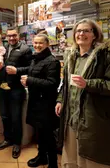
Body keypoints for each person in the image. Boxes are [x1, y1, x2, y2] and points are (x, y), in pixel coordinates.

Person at [55, 19, 110, 168]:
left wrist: (88, 84)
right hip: (71, 118)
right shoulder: (71, 56)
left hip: (92, 118)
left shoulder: (104, 56)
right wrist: (60, 100)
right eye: (78, 31)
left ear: (95, 35)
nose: (81, 34)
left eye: (86, 31)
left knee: (91, 159)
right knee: (72, 158)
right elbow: (65, 84)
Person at [20, 34, 61, 168]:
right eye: (35, 43)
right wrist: (28, 82)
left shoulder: (52, 61)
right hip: (36, 101)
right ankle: (42, 157)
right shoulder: (35, 59)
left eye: (40, 43)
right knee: (40, 133)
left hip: (46, 104)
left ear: (47, 44)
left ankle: (53, 164)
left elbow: (52, 83)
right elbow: (36, 77)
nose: (37, 46)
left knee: (48, 135)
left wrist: (30, 80)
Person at [0, 27, 32, 159]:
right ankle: (7, 139)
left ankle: (17, 143)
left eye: (14, 35)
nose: (11, 38)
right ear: (6, 36)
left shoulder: (25, 49)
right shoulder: (2, 48)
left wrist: (17, 70)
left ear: (19, 35)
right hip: (1, 88)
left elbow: (30, 68)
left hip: (16, 88)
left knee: (16, 117)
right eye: (9, 36)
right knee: (4, 115)